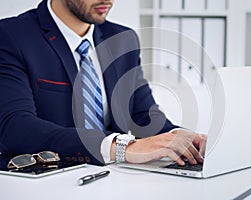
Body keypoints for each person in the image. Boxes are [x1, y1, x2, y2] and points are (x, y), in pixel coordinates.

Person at [0, 0, 206, 170]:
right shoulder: (12, 36)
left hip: (117, 180)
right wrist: (121, 147)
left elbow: (143, 115)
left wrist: (180, 139)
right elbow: (14, 126)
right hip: (51, 181)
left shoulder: (123, 39)